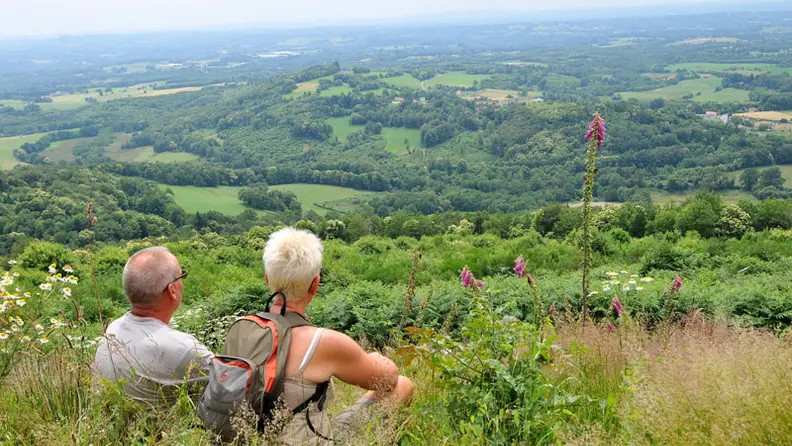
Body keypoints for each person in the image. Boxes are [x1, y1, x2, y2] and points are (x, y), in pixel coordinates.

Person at [262, 227, 414, 445]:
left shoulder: (240, 329)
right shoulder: (323, 341)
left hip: (250, 438)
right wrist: (372, 357)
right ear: (315, 284)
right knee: (403, 385)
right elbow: (387, 379)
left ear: (268, 279)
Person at [94, 246, 213, 405]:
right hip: (166, 429)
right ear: (172, 290)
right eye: (181, 276)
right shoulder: (184, 348)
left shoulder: (113, 329)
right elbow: (232, 384)